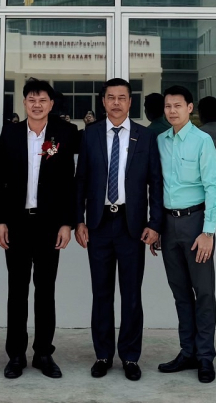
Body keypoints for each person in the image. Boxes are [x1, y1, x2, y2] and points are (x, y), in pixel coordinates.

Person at [76, 78, 163, 382]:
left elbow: (156, 183)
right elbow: (81, 180)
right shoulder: (90, 134)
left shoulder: (145, 136)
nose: (115, 103)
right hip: (98, 224)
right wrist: (79, 220)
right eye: (110, 97)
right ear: (103, 102)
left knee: (131, 295)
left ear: (130, 102)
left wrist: (154, 223)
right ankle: (102, 355)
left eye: (121, 97)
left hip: (132, 226)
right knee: (101, 293)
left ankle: (129, 356)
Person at [0, 79, 76, 379]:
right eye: (31, 99)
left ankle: (43, 353)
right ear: (24, 103)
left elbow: (69, 182)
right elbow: (0, 179)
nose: (36, 105)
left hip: (49, 224)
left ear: (51, 104)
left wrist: (67, 223)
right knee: (17, 291)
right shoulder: (11, 133)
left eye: (42, 100)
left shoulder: (65, 133)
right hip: (16, 223)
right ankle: (16, 354)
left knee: (45, 290)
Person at [156, 86, 216, 384]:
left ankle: (205, 356)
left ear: (190, 108)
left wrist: (208, 231)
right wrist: (156, 226)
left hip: (196, 224)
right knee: (180, 292)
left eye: (178, 105)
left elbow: (212, 187)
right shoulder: (160, 141)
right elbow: (154, 186)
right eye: (168, 106)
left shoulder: (202, 141)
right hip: (168, 226)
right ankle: (188, 351)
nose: (172, 111)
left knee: (203, 293)